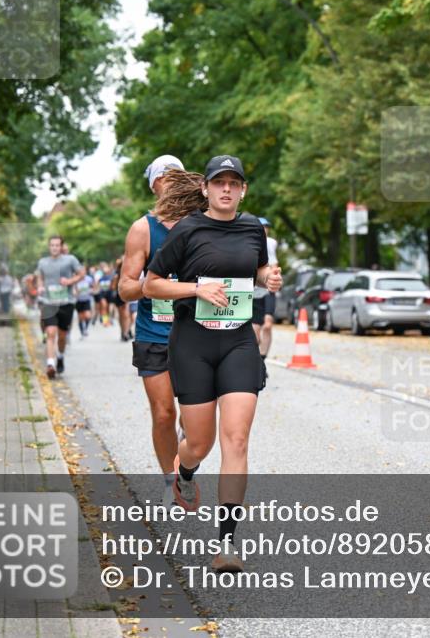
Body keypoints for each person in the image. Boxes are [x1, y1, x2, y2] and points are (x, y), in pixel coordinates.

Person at [143, 155, 282, 572]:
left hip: (239, 341)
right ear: (205, 189)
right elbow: (152, 284)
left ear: (243, 190)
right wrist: (197, 290)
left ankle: (227, 544)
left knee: (236, 440)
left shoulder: (253, 227)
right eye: (218, 182)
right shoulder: (188, 229)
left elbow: (256, 269)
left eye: (233, 183)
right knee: (200, 443)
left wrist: (267, 278)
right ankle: (184, 471)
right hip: (193, 344)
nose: (226, 189)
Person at [118, 154, 187, 506]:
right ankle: (168, 480)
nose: (173, 181)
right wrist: (153, 283)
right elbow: (125, 288)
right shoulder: (143, 229)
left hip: (196, 334)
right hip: (154, 333)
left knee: (193, 414)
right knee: (163, 413)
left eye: (179, 175)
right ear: (155, 185)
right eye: (166, 176)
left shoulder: (201, 223)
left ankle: (187, 454)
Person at [37, 235, 86, 379]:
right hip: (48, 302)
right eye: (52, 245)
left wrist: (70, 280)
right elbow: (40, 276)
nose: (54, 248)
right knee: (50, 333)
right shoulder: (43, 262)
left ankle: (60, 355)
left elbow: (82, 273)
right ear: (49, 247)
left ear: (61, 246)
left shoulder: (70, 260)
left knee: (62, 337)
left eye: (57, 245)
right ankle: (50, 364)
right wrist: (40, 286)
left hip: (66, 302)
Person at [251, 217, 279, 362]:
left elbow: (274, 264)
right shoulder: (248, 241)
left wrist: (275, 277)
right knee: (254, 331)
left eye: (267, 227)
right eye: (262, 227)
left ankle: (262, 359)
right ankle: (256, 359)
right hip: (253, 292)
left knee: (267, 325)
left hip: (267, 291)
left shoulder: (271, 243)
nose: (265, 230)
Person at [74, 271, 94, 338]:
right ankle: (82, 332)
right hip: (78, 301)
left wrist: (92, 291)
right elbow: (73, 290)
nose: (82, 273)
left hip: (87, 300)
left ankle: (85, 328)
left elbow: (93, 286)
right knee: (81, 318)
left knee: (88, 316)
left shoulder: (89, 279)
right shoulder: (75, 280)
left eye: (83, 272)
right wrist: (76, 292)